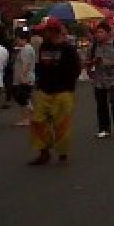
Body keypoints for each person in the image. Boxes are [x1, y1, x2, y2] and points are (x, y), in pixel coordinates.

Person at [28, 17, 82, 166]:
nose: (43, 34)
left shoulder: (68, 49)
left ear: (53, 31)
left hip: (63, 92)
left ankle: (62, 152)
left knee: (62, 125)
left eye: (45, 31)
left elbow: (76, 69)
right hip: (44, 91)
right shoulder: (44, 46)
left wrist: (67, 83)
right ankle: (43, 151)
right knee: (37, 122)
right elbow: (41, 66)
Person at [87, 22, 114, 138]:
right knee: (101, 104)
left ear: (108, 33)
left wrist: (112, 63)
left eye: (101, 32)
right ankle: (104, 128)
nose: (98, 35)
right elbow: (86, 62)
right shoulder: (93, 46)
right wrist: (93, 62)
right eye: (97, 32)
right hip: (99, 78)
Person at [12, 30, 37, 127]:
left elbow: (26, 64)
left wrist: (22, 76)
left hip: (24, 78)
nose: (16, 41)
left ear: (23, 39)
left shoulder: (26, 49)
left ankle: (26, 119)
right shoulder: (27, 48)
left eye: (17, 39)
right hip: (26, 77)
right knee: (24, 98)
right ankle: (30, 115)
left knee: (22, 98)